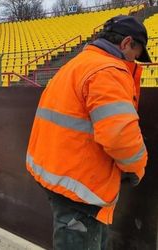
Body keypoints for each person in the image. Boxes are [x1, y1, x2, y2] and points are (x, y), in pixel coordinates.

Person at [26, 15, 150, 250]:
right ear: (126, 43)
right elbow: (119, 135)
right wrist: (136, 168)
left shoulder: (77, 63)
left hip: (59, 175)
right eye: (137, 53)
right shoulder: (107, 70)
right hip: (81, 187)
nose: (135, 61)